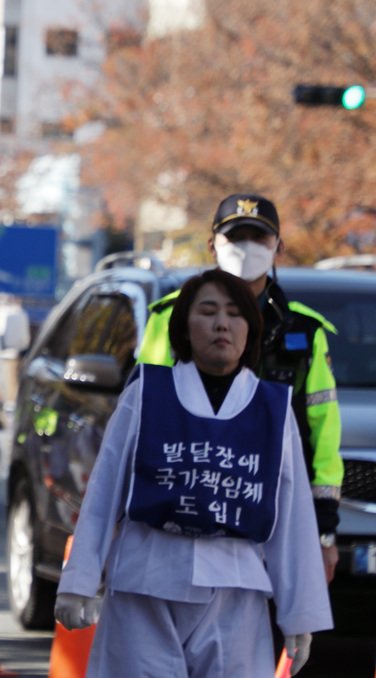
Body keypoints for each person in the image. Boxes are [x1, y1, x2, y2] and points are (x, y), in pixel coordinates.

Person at [58, 269, 331, 678]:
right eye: (207, 312)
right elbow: (105, 488)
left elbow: (292, 515)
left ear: (250, 331)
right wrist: (79, 577)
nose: (221, 325)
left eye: (234, 316)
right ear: (185, 326)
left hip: (237, 596)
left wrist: (299, 611)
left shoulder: (272, 406)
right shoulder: (147, 393)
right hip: (146, 584)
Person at [139, 194, 343, 582]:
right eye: (235, 238)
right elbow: (143, 419)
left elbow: (323, 435)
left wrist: (322, 529)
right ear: (212, 245)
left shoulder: (304, 331)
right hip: (187, 508)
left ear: (278, 247)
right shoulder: (170, 319)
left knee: (274, 634)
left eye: (258, 238)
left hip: (280, 511)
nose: (246, 249)